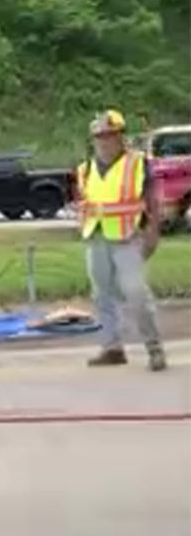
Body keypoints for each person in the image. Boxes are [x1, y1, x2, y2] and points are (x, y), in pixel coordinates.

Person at [78, 110, 166, 371]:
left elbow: (153, 200)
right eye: (99, 137)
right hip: (96, 235)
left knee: (136, 293)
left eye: (110, 136)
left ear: (120, 137)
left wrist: (153, 231)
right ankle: (112, 347)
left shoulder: (137, 164)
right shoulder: (86, 168)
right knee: (102, 294)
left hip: (128, 237)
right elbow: (86, 201)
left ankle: (154, 348)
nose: (104, 141)